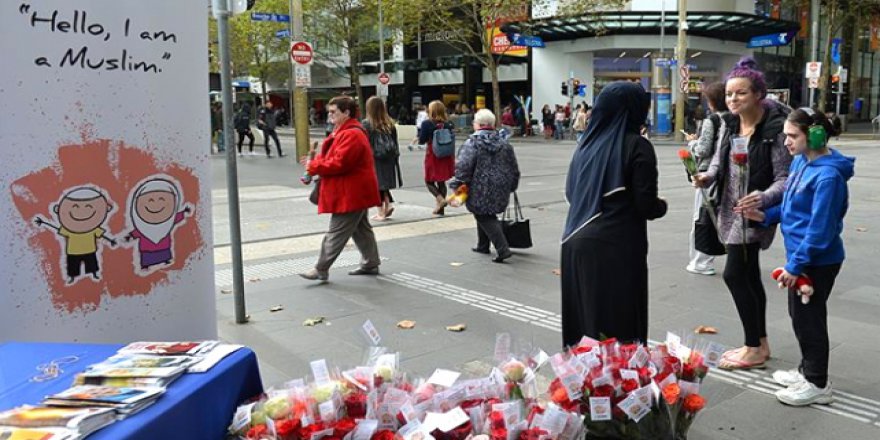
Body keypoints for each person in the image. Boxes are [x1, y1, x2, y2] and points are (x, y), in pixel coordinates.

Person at [738, 108, 854, 406]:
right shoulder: (802, 162)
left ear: (814, 135)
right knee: (800, 316)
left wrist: (795, 265)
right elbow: (792, 208)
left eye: (792, 136)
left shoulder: (828, 177)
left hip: (817, 260)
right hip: (805, 256)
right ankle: (807, 370)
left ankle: (817, 383)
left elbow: (820, 228)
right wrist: (763, 216)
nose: (786, 142)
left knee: (809, 320)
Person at [693, 58, 792, 370]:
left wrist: (761, 197)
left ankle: (753, 347)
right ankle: (759, 343)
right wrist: (706, 176)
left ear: (758, 94)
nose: (733, 99)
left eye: (741, 94)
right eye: (729, 94)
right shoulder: (730, 124)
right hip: (727, 207)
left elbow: (784, 178)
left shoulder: (774, 130)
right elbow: (718, 163)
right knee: (748, 274)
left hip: (753, 212)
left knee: (735, 273)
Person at [560, 81, 667, 347]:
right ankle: (620, 385)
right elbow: (646, 205)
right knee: (617, 325)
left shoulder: (583, 148)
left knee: (585, 325)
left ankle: (585, 384)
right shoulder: (637, 146)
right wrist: (661, 206)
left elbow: (572, 194)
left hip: (574, 243)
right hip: (614, 247)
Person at [299, 96, 381, 281]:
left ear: (347, 112)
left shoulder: (350, 134)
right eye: (329, 111)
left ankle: (321, 268)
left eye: (333, 111)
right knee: (361, 229)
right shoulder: (347, 131)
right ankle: (370, 262)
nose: (329, 115)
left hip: (350, 193)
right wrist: (316, 163)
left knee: (336, 231)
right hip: (355, 191)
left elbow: (339, 163)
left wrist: (314, 166)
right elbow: (336, 159)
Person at [450, 109, 520, 263]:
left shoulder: (473, 143)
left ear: (479, 125)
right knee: (484, 213)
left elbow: (464, 166)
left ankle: (503, 249)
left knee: (483, 214)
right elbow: (513, 167)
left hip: (479, 186)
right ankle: (483, 245)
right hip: (501, 185)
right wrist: (513, 184)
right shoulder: (504, 143)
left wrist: (458, 184)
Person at [684, 82, 728, 275]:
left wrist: (692, 142)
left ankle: (701, 261)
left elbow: (703, 149)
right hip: (728, 172)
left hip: (708, 173)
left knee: (701, 217)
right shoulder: (735, 118)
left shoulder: (713, 120)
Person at [362, 96, 402, 221]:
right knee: (384, 182)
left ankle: (380, 212)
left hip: (374, 157)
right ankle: (388, 204)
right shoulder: (390, 123)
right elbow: (395, 142)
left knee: (375, 184)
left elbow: (364, 142)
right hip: (389, 157)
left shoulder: (367, 124)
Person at [419, 100, 456, 216]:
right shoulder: (449, 123)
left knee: (429, 181)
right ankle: (440, 210)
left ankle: (440, 199)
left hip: (433, 154)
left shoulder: (427, 124)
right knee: (441, 181)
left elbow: (422, 140)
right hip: (446, 155)